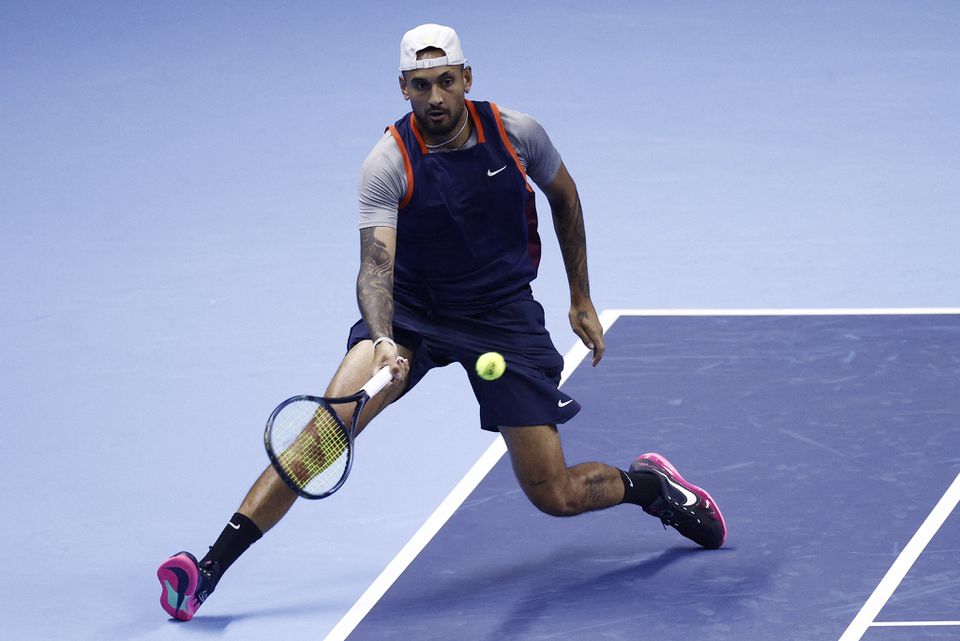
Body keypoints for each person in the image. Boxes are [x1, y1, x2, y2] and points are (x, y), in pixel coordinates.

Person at [156, 23, 727, 622]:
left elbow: (565, 196)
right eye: (421, 85)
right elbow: (375, 268)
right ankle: (207, 571)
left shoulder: (516, 134)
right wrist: (382, 340)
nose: (435, 98)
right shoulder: (387, 162)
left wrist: (580, 295)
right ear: (403, 87)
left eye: (446, 82)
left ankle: (651, 487)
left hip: (503, 317)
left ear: (467, 79)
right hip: (414, 314)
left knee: (553, 494)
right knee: (322, 437)